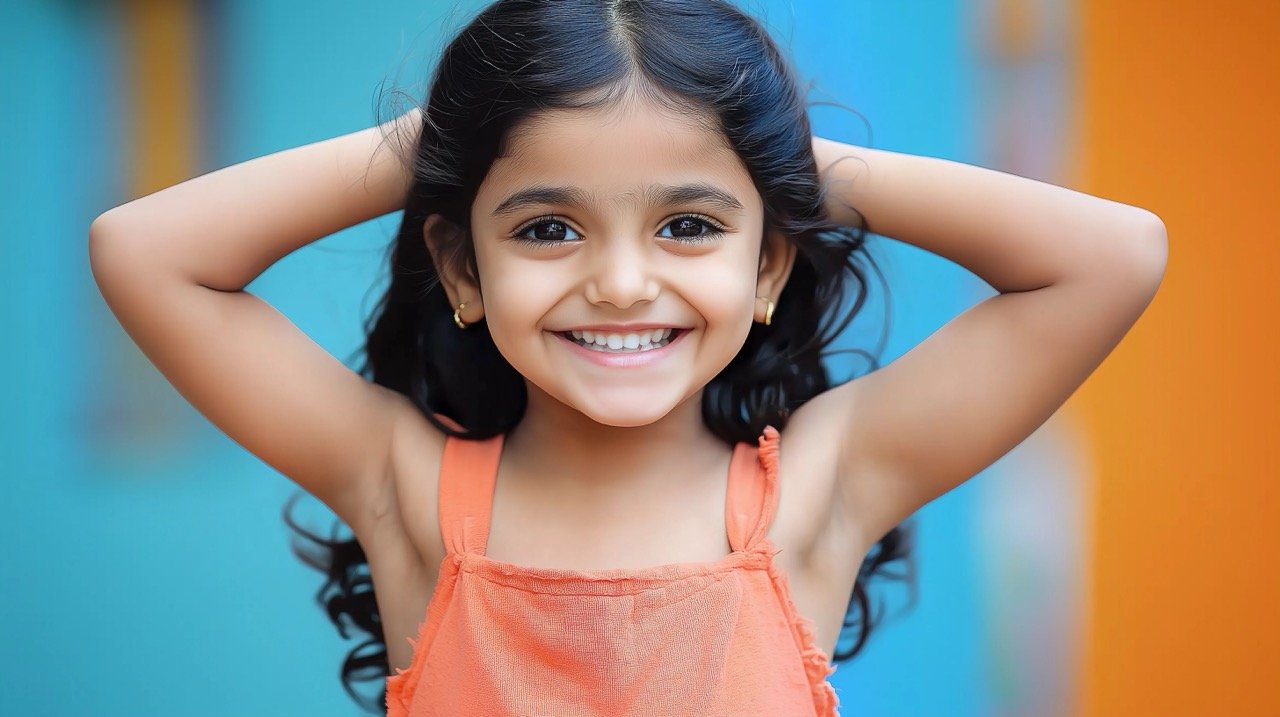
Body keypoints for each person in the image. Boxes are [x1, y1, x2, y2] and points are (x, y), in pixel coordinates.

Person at [87, 0, 1167, 715]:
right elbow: (143, 251)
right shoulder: (407, 489)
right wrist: (445, 141)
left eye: (688, 226)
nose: (618, 283)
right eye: (546, 227)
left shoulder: (818, 491)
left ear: (766, 268)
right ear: (462, 272)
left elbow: (1112, 255)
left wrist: (775, 150)